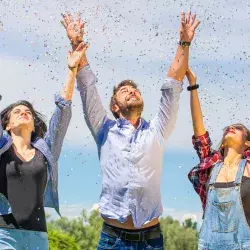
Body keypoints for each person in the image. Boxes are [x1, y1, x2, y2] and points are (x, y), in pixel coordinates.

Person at [62, 11, 200, 250]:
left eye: (135, 89)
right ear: (115, 106)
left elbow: (173, 84)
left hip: (151, 240)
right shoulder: (104, 129)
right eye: (124, 90)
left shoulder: (156, 131)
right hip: (113, 239)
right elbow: (87, 87)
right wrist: (76, 42)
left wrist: (184, 42)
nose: (132, 91)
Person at [0, 43, 87, 249]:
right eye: (17, 111)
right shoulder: (2, 146)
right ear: (7, 123)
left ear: (33, 123)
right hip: (5, 234)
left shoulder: (45, 150)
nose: (24, 112)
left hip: (39, 236)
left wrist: (71, 70)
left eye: (28, 112)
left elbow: (62, 113)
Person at [187, 67, 250, 250]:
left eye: (238, 128)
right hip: (208, 245)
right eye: (228, 127)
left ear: (247, 143)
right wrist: (193, 85)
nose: (231, 127)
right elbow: (198, 128)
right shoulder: (211, 164)